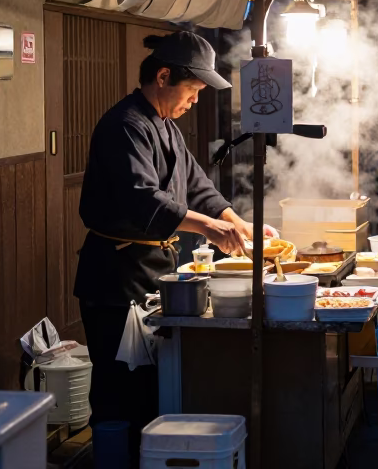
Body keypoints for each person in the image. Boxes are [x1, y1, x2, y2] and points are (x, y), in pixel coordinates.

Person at [74, 30, 275, 461]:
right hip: (115, 277)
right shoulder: (125, 125)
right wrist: (208, 229)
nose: (196, 100)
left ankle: (153, 455)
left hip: (152, 270)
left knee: (152, 381)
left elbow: (196, 183)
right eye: (194, 89)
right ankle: (115, 460)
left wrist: (237, 221)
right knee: (117, 385)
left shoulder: (164, 124)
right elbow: (142, 196)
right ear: (163, 76)